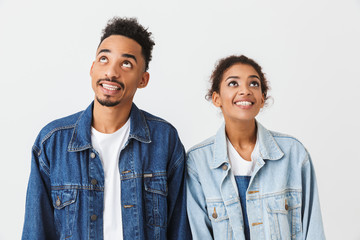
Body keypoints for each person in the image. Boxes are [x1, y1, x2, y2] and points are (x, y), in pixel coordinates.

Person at [22, 17, 191, 240]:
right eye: (104, 59)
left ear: (143, 79)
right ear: (92, 68)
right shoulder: (52, 142)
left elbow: (179, 230)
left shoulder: (164, 139)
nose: (111, 72)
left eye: (126, 63)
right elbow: (36, 232)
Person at [186, 55, 325, 239]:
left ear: (262, 98)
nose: (245, 90)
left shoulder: (294, 153)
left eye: (253, 84)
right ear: (216, 98)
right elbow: (198, 233)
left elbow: (313, 230)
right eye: (233, 83)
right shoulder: (198, 161)